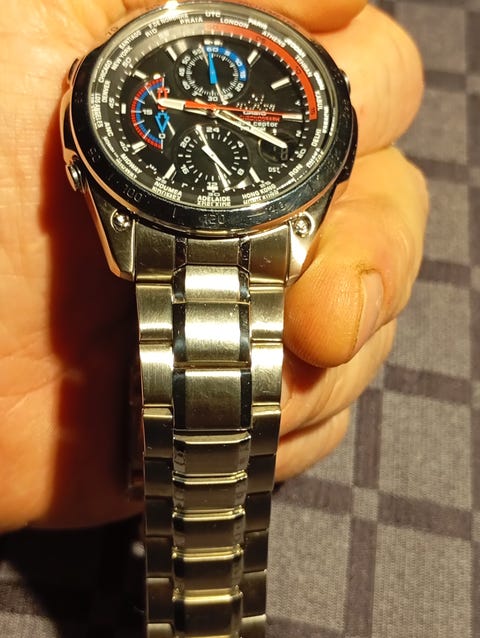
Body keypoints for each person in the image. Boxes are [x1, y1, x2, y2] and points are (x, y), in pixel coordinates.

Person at [0, 0, 428, 531]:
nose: (215, 112)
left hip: (267, 226)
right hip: (157, 224)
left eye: (225, 110)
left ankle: (173, 482)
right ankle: (170, 480)